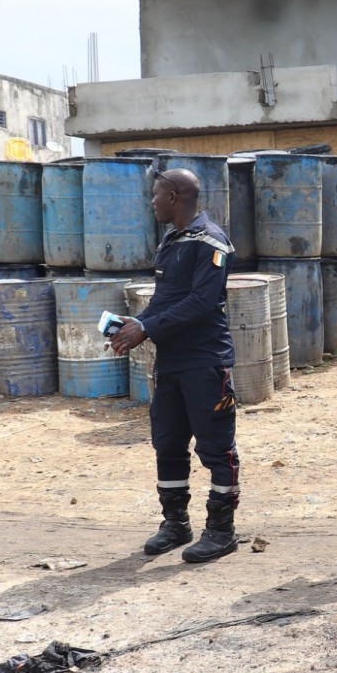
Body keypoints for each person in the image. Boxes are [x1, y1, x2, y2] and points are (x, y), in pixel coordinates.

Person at [109, 167, 241, 564]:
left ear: (173, 196)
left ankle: (222, 531)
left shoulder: (211, 242)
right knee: (167, 444)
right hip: (171, 363)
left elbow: (202, 302)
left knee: (216, 448)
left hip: (205, 362)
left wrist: (147, 328)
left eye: (155, 194)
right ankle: (176, 523)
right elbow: (166, 300)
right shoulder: (172, 240)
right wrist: (135, 324)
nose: (151, 201)